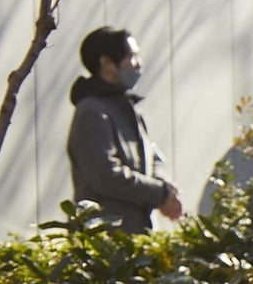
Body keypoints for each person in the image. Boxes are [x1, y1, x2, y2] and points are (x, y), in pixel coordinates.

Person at [65, 28, 181, 229]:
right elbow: (105, 175)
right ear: (107, 63)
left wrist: (165, 189)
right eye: (131, 56)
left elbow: (153, 157)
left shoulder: (127, 108)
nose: (138, 64)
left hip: (136, 234)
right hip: (106, 238)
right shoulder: (91, 112)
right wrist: (159, 194)